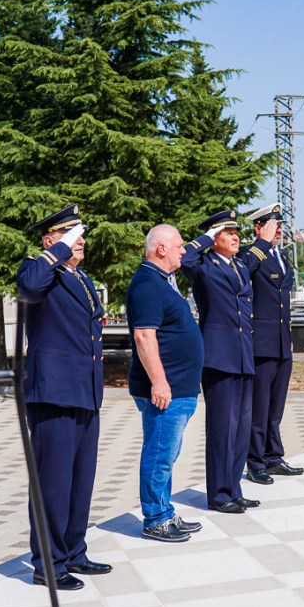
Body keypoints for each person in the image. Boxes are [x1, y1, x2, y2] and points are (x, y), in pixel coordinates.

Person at [16, 203, 110, 591]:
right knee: (52, 481)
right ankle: (48, 562)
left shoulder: (80, 277)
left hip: (85, 388)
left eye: (80, 233)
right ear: (49, 240)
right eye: (71, 234)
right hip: (54, 390)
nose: (80, 240)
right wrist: (58, 250)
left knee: (80, 479)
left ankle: (73, 551)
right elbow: (28, 288)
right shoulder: (37, 270)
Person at [180, 210, 277, 513]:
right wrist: (207, 236)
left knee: (241, 427)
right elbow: (183, 257)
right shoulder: (202, 267)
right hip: (219, 357)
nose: (236, 238)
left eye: (237, 233)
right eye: (228, 233)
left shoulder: (239, 265)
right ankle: (219, 495)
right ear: (214, 238)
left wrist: (264, 240)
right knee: (222, 429)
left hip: (243, 354)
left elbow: (255, 255)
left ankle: (234, 488)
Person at [126, 224, 204, 543]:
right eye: (179, 246)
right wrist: (159, 383)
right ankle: (155, 519)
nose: (184, 251)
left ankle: (165, 512)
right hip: (164, 391)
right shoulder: (147, 284)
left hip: (178, 388)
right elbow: (144, 337)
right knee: (159, 455)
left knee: (166, 455)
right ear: (161, 249)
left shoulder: (161, 281)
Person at [239, 204, 304, 485]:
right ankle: (255, 463)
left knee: (276, 407)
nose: (278, 230)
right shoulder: (249, 254)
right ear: (258, 228)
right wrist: (261, 245)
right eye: (273, 226)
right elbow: (243, 273)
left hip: (281, 341)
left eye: (280, 226)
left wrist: (288, 339)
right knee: (259, 407)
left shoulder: (282, 256)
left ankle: (273, 457)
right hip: (260, 343)